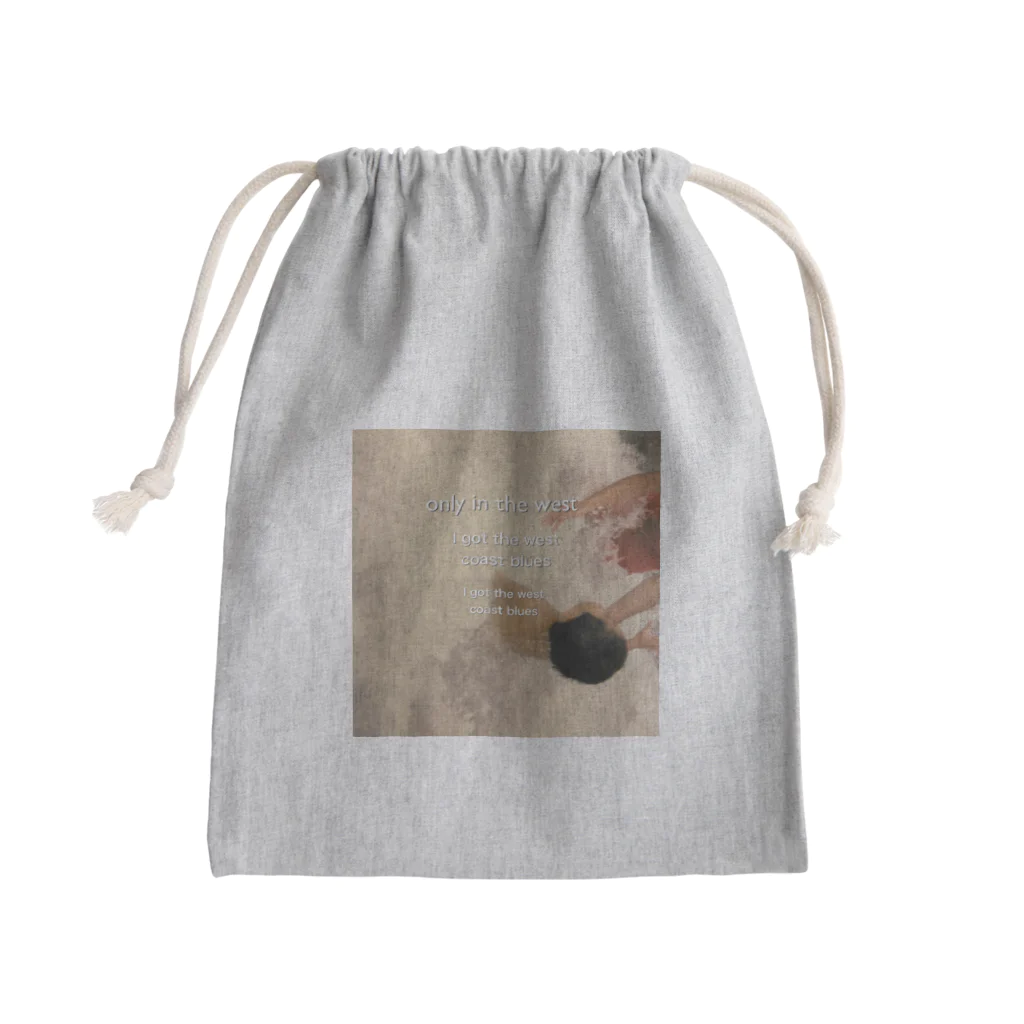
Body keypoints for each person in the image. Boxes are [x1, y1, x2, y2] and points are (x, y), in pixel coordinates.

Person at [491, 573, 660, 684]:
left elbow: (492, 581)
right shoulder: (559, 651)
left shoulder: (534, 611)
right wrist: (634, 643)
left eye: (607, 618)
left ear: (573, 615)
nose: (603, 608)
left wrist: (633, 641)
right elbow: (591, 658)